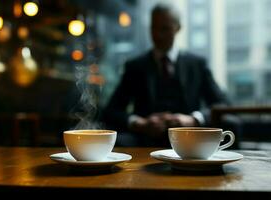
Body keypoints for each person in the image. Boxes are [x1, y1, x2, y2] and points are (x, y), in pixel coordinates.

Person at [102, 3, 238, 147]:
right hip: (145, 139)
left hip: (189, 140)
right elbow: (111, 111)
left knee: (231, 125)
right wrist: (140, 123)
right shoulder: (135, 67)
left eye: (164, 29)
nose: (158, 35)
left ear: (178, 28)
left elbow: (223, 105)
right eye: (154, 28)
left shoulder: (197, 65)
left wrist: (193, 120)